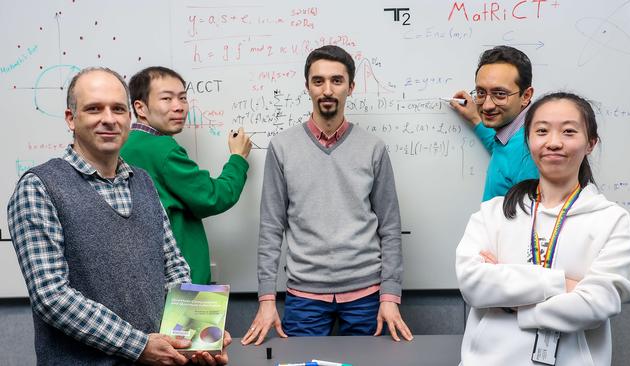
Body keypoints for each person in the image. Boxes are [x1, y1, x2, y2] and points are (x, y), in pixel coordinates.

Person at [7, 67, 230, 365]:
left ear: (129, 117)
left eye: (118, 109)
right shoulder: (39, 188)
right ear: (71, 119)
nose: (109, 119)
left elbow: (174, 269)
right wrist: (138, 346)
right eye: (94, 109)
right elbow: (52, 296)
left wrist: (197, 338)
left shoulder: (143, 182)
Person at [241, 45, 413, 345]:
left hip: (367, 296)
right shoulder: (282, 147)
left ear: (351, 87)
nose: (327, 90)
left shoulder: (373, 148)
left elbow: (390, 228)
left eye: (337, 80)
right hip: (304, 296)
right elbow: (270, 228)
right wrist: (267, 299)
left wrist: (390, 295)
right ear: (307, 86)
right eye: (318, 81)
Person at [455, 92, 630, 365]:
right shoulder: (493, 213)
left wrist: (508, 301)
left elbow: (598, 303)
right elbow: (473, 285)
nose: (554, 142)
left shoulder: (611, 220)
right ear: (528, 141)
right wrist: (561, 285)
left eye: (568, 131)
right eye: (541, 131)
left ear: (590, 143)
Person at [121, 66, 252, 284]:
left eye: (182, 98)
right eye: (167, 99)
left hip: (147, 276)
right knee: (189, 321)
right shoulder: (163, 150)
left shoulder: (126, 145)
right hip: (182, 281)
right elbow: (213, 197)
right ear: (140, 108)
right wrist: (238, 158)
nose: (179, 107)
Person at [450, 45, 539, 201]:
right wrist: (475, 118)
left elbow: (534, 222)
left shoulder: (530, 151)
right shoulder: (516, 136)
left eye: (500, 94)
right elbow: (504, 151)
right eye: (481, 93)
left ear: (526, 96)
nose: (487, 105)